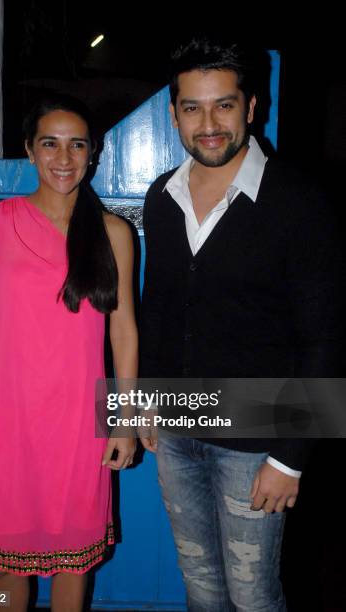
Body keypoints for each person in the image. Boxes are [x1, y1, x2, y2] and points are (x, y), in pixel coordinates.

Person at [140, 39, 344, 611]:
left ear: (251, 107)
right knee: (199, 584)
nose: (208, 124)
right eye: (191, 107)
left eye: (223, 105)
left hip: (258, 439)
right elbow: (158, 308)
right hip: (178, 426)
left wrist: (291, 457)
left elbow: (326, 339)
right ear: (175, 111)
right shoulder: (162, 196)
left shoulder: (299, 202)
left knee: (253, 594)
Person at [0, 95, 137, 612]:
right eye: (50, 143)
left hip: (78, 423)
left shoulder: (113, 233)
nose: (64, 157)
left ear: (92, 154)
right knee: (5, 565)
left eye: (77, 145)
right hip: (8, 422)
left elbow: (124, 335)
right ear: (29, 150)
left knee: (75, 564)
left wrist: (123, 420)